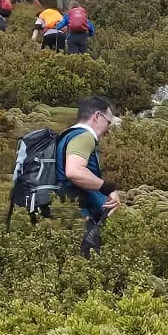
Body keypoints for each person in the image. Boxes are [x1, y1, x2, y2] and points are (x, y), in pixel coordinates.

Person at [57, 97, 120, 258]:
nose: (108, 130)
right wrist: (108, 188)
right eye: (108, 122)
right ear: (97, 116)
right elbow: (74, 171)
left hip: (66, 216)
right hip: (78, 220)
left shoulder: (68, 135)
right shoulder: (84, 137)